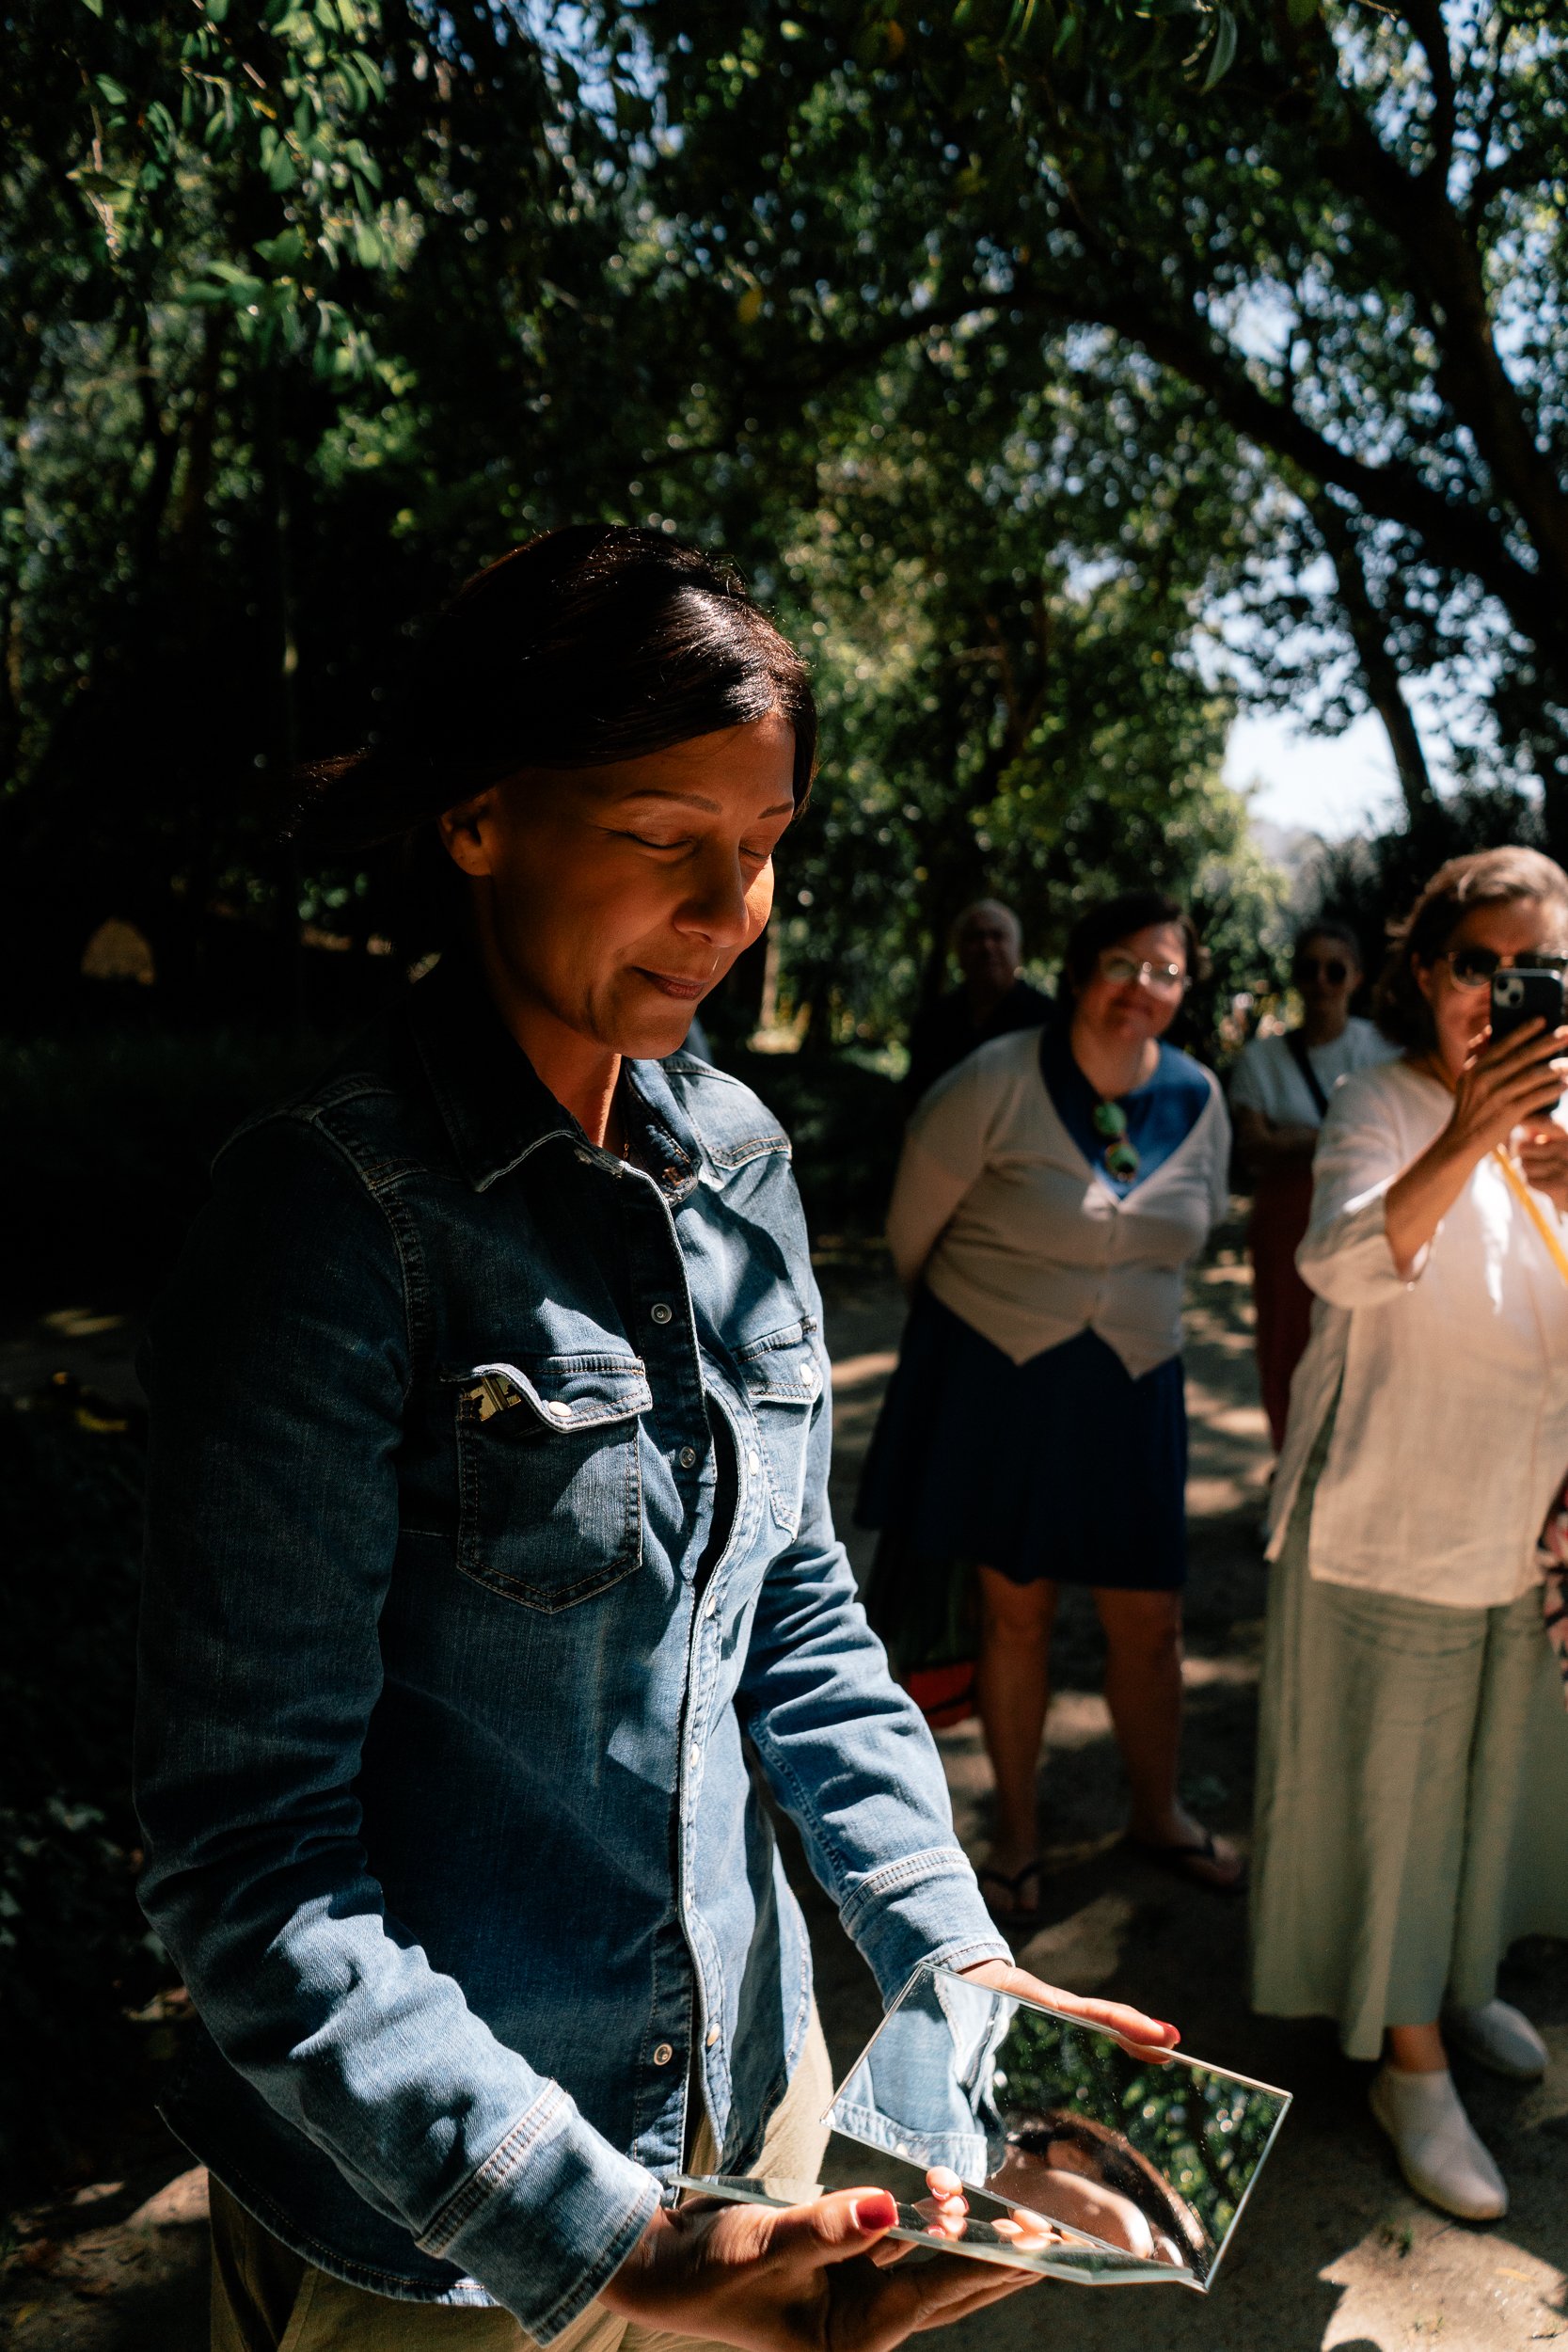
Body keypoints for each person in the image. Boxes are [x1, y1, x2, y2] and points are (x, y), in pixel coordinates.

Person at [134, 526, 1178, 2352]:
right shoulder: (328, 1216)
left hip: (750, 2116)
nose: (728, 906)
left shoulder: (744, 1156)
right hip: (435, 2233)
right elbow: (247, 1854)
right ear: (478, 819)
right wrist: (601, 2241)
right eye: (658, 833)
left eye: (761, 844)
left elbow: (793, 1615)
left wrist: (950, 1941)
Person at [1252, 846, 1568, 2223]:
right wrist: (1466, 1138)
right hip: (1387, 1518)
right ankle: (1406, 2061)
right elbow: (1333, 1261)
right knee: (1392, 1797)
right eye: (1473, 966)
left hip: (1518, 1528)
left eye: (1534, 971)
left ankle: (1455, 1983)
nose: (1497, 997)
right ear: (1424, 973)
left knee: (1485, 1787)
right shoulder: (1376, 1104)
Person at [858, 890, 1241, 1931]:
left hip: (1135, 1391)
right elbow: (910, 1234)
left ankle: (1156, 1812)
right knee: (1015, 1611)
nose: (1141, 988)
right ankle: (1017, 1833)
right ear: (1076, 972)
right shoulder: (990, 1078)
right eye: (1122, 963)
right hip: (1008, 1385)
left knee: (1149, 1621)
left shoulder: (1200, 1098)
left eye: (1164, 971)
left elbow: (1192, 1231)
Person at [1229, 920, 1396, 1449]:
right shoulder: (1261, 1059)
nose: (1321, 982)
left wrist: (1299, 1138)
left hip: (1363, 1211)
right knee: (1285, 1344)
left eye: (1335, 969)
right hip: (1284, 1223)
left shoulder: (1384, 1050)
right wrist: (1340, 1136)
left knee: (1367, 1342)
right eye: (1309, 969)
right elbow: (1252, 1145)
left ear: (1356, 978)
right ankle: (1287, 1460)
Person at [903, 900, 1053, 1107]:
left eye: (997, 936)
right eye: (975, 937)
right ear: (958, 952)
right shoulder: (933, 1022)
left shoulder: (1048, 1020)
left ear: (1018, 952)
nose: (987, 946)